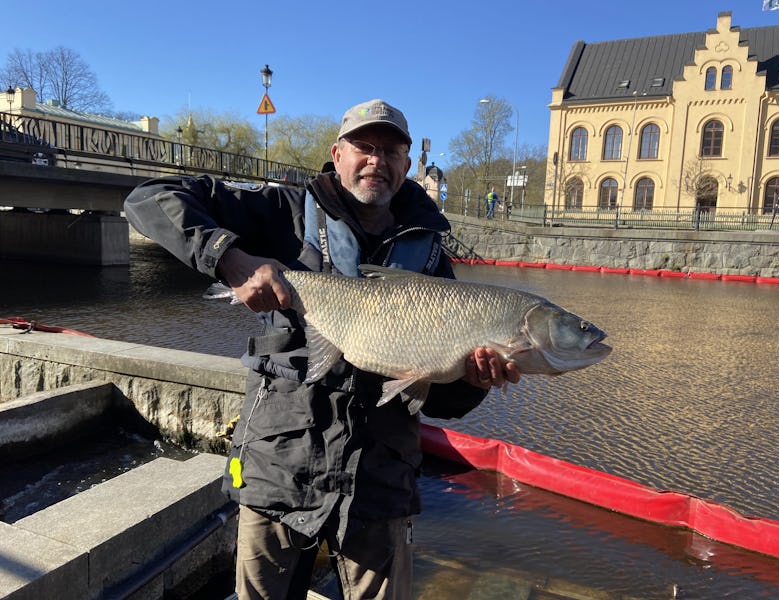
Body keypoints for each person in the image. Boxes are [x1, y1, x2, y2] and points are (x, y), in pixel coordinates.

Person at [123, 98, 520, 600]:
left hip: (380, 484)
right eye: (364, 147)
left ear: (407, 166)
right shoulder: (281, 213)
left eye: (393, 151)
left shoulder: (431, 253)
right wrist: (229, 258)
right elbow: (148, 196)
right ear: (337, 154)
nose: (377, 160)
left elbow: (436, 400)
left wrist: (471, 381)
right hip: (280, 468)